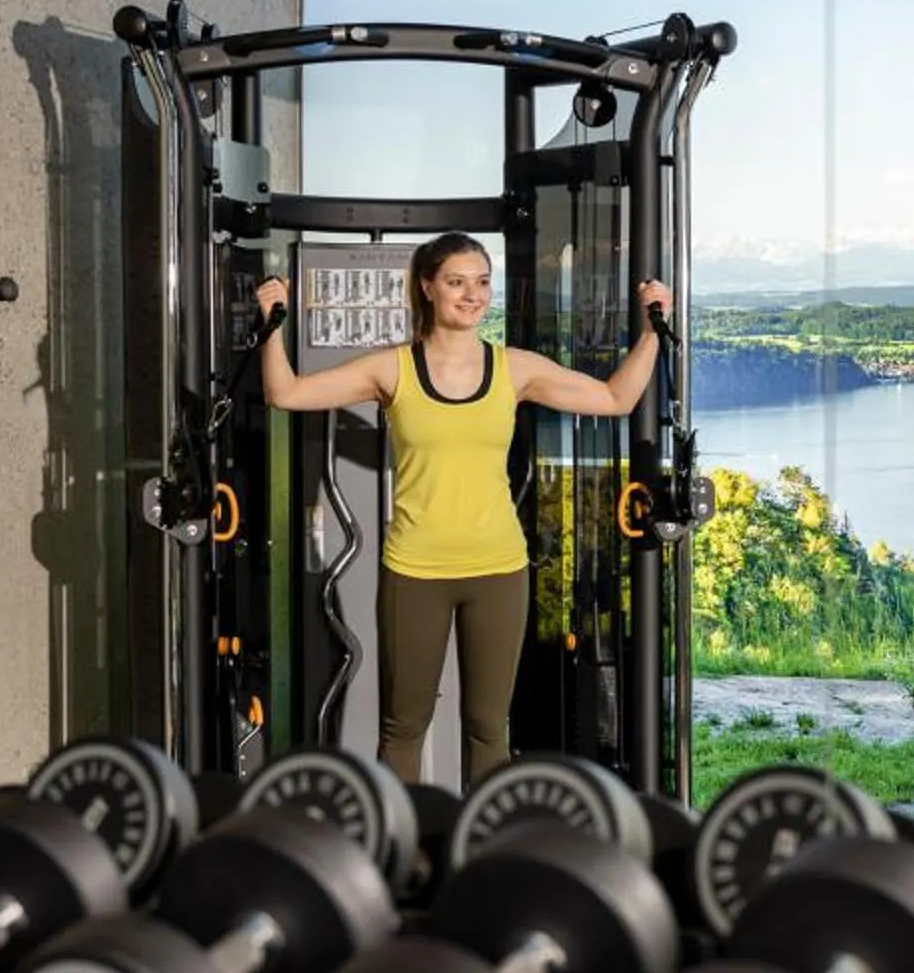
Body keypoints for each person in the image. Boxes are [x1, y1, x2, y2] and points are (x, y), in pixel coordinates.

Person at [256, 234, 669, 788]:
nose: (472, 295)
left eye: (481, 282)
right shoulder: (392, 368)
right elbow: (285, 393)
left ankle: (481, 835)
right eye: (456, 282)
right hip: (414, 571)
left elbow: (616, 398)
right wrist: (271, 325)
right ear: (427, 287)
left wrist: (652, 332)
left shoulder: (514, 368)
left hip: (499, 569)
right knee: (403, 728)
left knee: (488, 728)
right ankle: (399, 834)